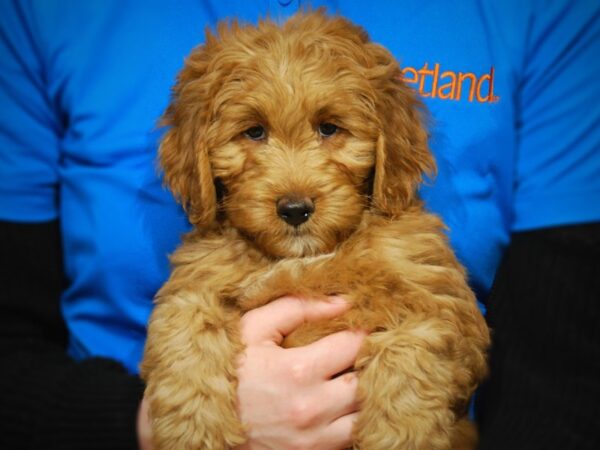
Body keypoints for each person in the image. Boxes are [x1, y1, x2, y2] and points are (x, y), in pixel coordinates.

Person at [0, 1, 598, 449]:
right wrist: (156, 423)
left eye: (330, 129)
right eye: (252, 133)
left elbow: (480, 346)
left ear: (391, 144)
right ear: (195, 158)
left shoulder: (410, 245)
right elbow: (175, 335)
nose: (294, 189)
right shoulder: (209, 258)